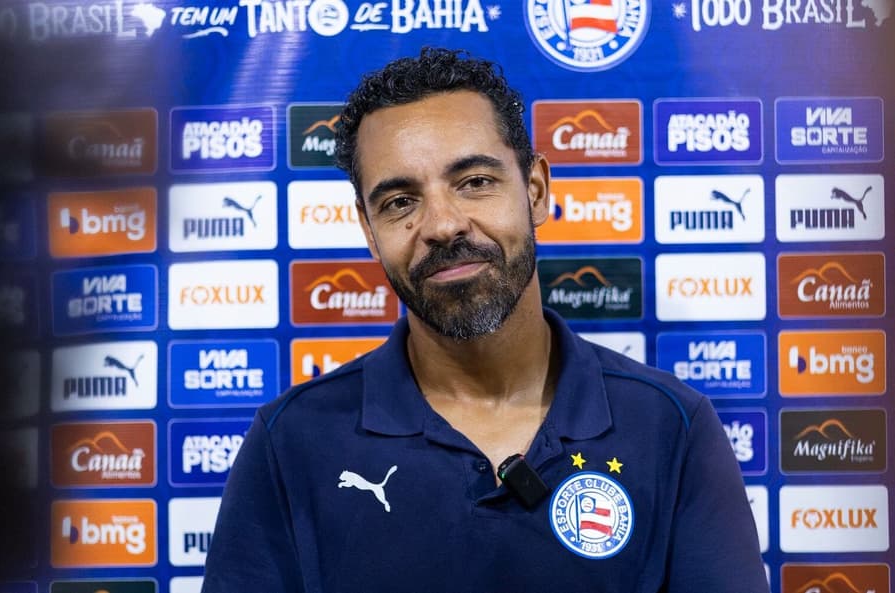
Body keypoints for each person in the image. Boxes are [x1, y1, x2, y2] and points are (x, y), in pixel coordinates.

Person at [202, 47, 769, 593]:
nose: (444, 225)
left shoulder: (671, 428)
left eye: (475, 181)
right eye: (400, 201)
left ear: (537, 190)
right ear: (368, 231)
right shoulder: (292, 442)